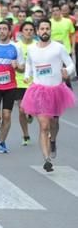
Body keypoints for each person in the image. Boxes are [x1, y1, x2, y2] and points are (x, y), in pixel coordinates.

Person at [21, 19, 76, 172]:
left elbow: (71, 64)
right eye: (42, 29)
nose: (45, 31)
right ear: (37, 32)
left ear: (50, 30)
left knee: (54, 124)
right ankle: (47, 159)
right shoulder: (32, 49)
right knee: (44, 125)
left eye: (47, 28)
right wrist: (27, 75)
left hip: (56, 90)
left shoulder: (58, 48)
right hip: (39, 91)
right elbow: (28, 64)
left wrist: (68, 72)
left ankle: (53, 141)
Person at [0, 21, 24, 154]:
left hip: (10, 86)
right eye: (0, 29)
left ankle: (1, 142)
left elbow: (22, 68)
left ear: (9, 31)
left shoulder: (16, 47)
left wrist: (17, 66)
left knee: (7, 116)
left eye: (4, 29)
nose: (1, 31)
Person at [14, 21, 37, 146]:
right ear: (21, 32)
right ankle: (25, 134)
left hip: (35, 81)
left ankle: (31, 113)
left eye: (31, 30)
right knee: (22, 110)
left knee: (32, 107)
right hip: (20, 80)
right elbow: (12, 61)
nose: (28, 32)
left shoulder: (37, 45)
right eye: (26, 30)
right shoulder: (16, 46)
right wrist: (16, 65)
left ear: (34, 32)